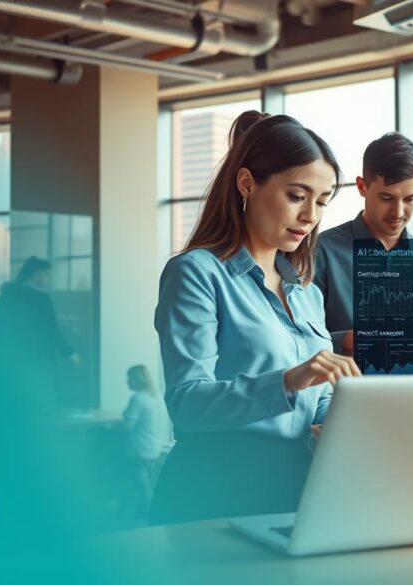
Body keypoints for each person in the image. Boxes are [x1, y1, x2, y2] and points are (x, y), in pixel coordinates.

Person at [151, 111, 361, 524]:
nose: (311, 216)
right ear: (247, 183)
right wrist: (289, 380)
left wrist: (345, 419)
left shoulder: (308, 294)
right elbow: (187, 402)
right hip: (215, 487)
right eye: (297, 196)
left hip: (296, 484)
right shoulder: (196, 273)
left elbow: (319, 402)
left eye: (322, 201)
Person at [314, 132, 413, 355]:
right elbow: (296, 338)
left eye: (410, 198)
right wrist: (347, 340)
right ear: (362, 186)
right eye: (387, 198)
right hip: (345, 378)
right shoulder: (320, 253)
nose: (398, 212)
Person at [0, 256, 79, 413]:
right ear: (37, 273)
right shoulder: (41, 299)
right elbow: (50, 331)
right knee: (41, 405)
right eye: (46, 274)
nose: (48, 279)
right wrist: (70, 353)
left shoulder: (5, 297)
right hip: (38, 360)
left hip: (9, 361)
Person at [119, 365, 169, 521]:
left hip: (138, 451)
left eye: (129, 378)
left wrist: (110, 427)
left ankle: (146, 519)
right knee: (148, 487)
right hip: (153, 450)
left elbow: (127, 426)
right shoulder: (157, 397)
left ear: (137, 379)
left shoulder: (138, 398)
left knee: (142, 490)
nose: (127, 381)